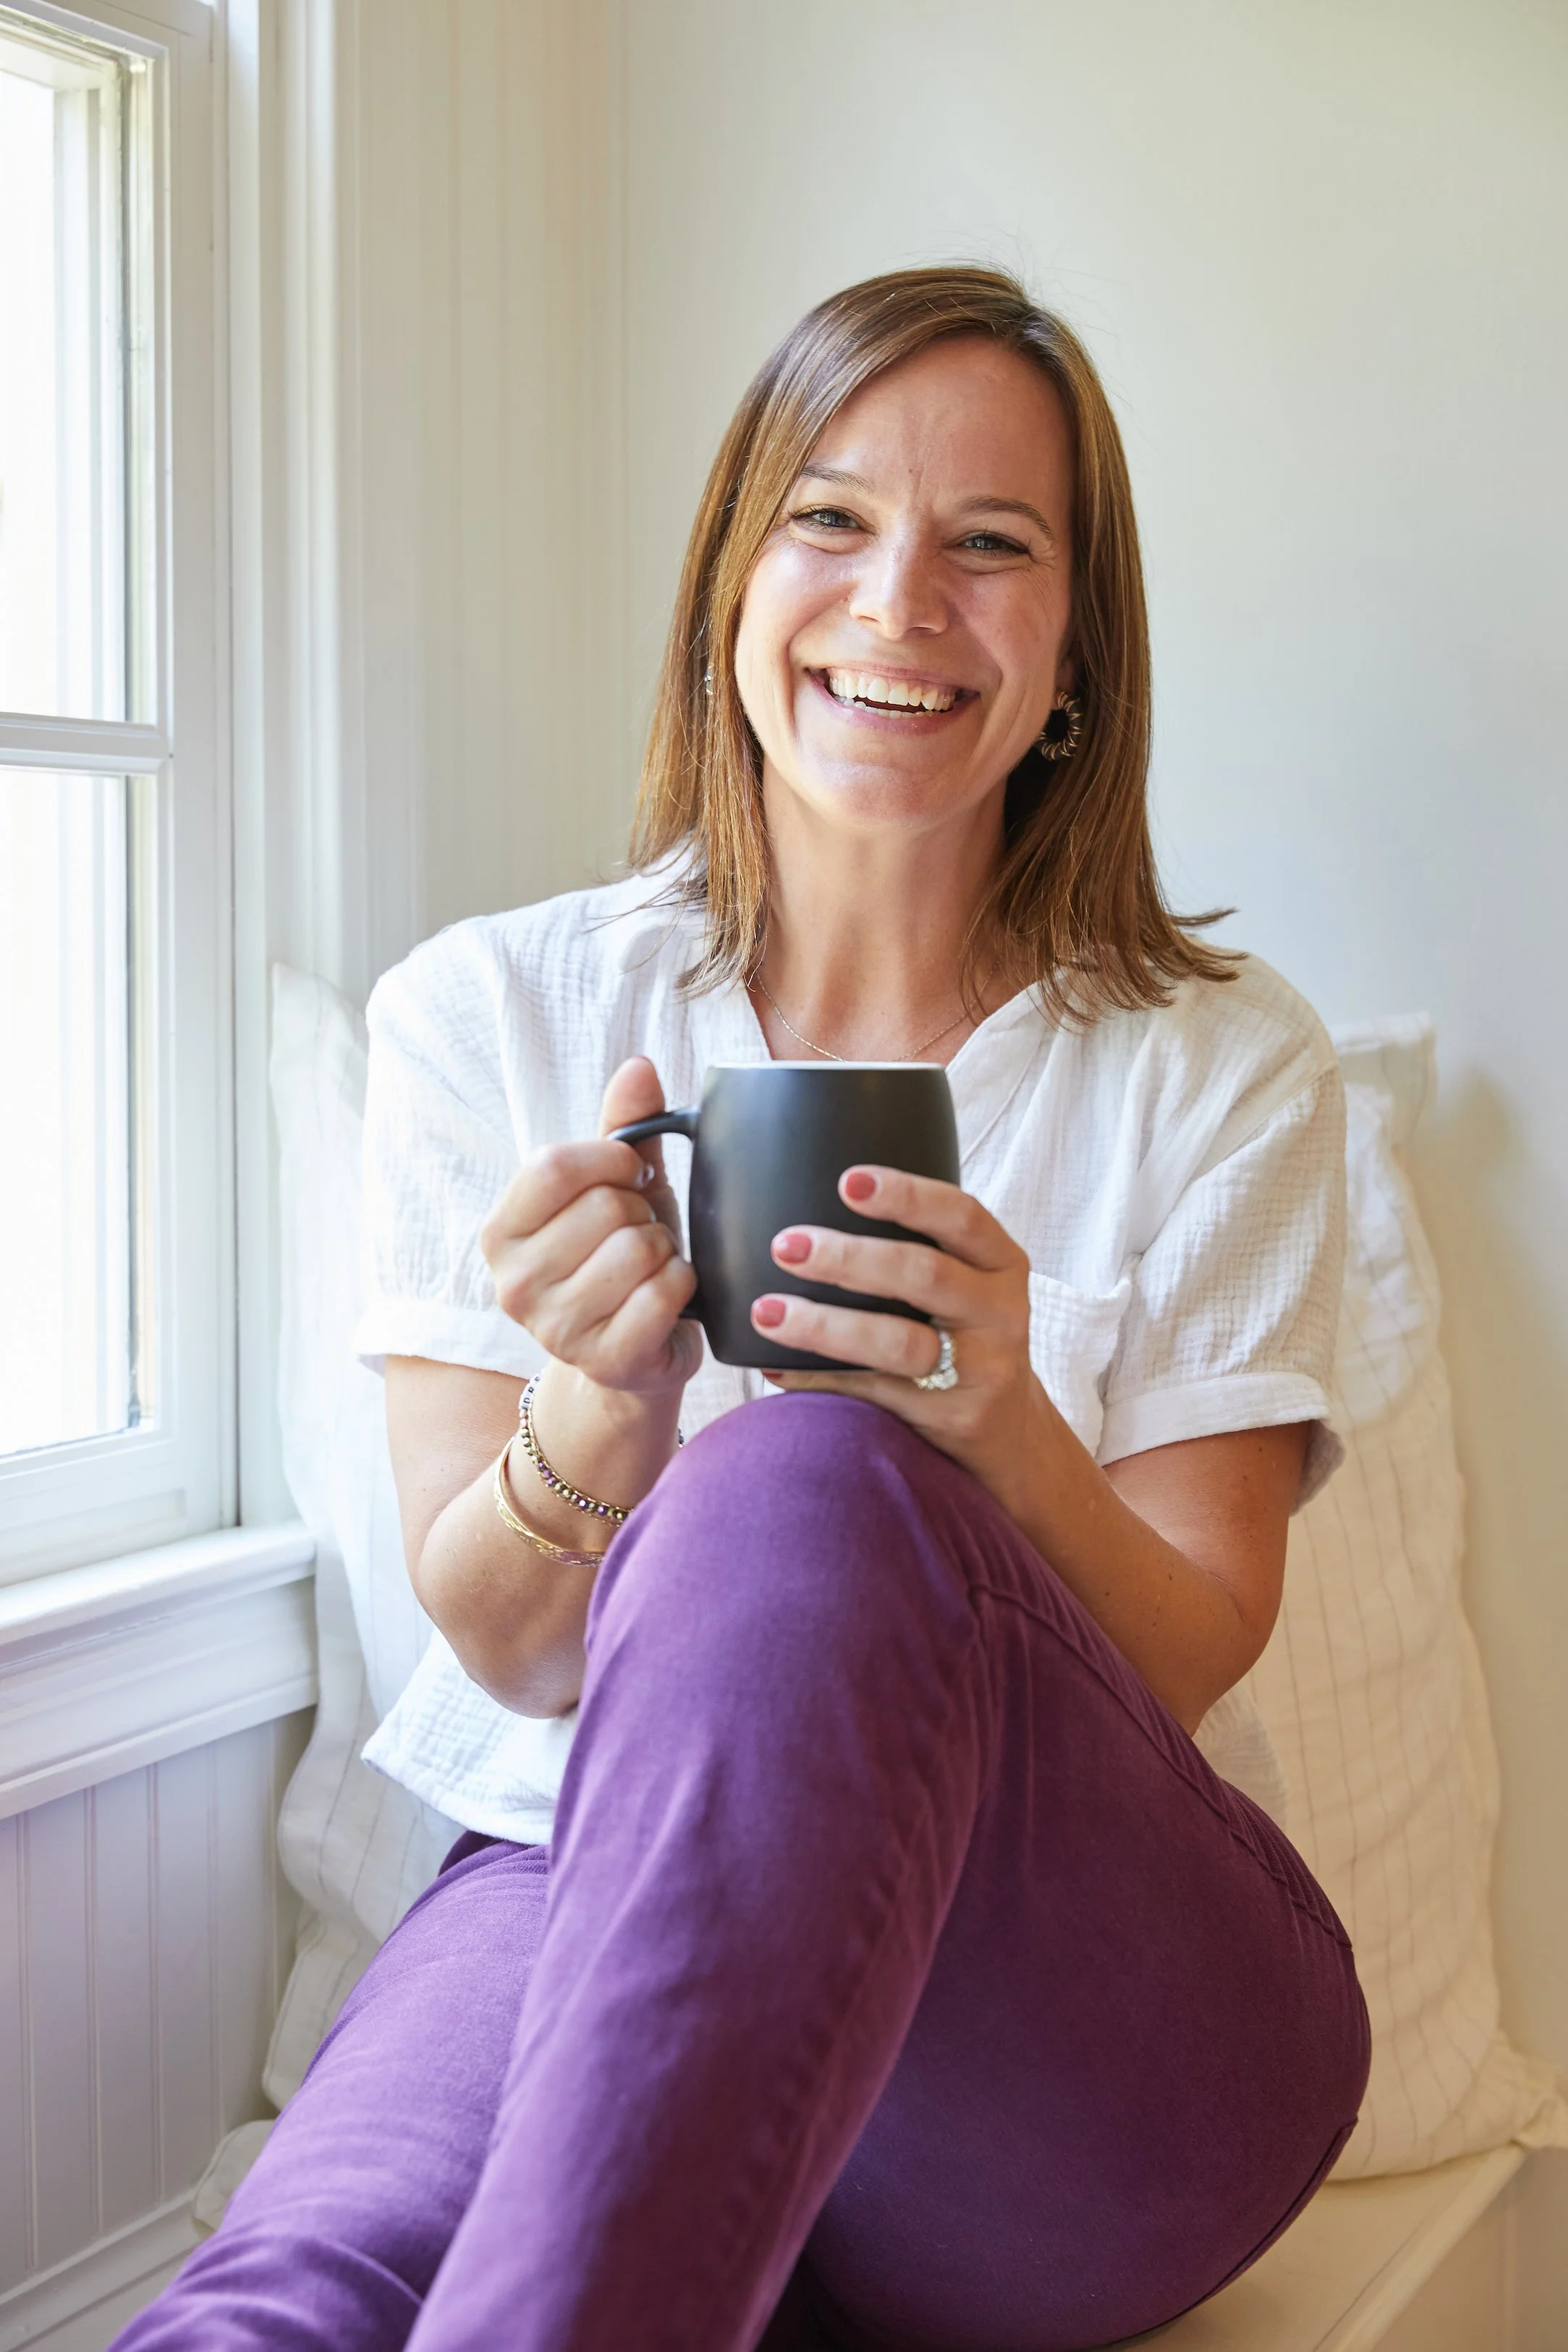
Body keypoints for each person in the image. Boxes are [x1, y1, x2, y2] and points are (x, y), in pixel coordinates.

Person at [119, 266, 1370, 2352]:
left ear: (1077, 646)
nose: (901, 602)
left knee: (799, 1476)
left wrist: (996, 1434)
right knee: (302, 2288)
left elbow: (1191, 1649)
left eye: (991, 543)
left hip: (1085, 2021)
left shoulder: (1218, 1066)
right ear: (731, 583)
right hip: (579, 1867)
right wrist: (598, 1413)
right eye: (831, 520)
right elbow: (509, 1647)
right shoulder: (493, 1014)